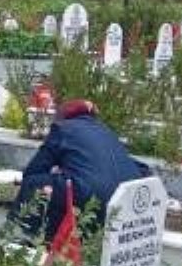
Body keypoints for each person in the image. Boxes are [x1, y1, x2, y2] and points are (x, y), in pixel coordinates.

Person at [11, 100, 151, 240]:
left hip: (92, 195)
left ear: (63, 116)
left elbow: (34, 170)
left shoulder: (62, 129)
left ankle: (34, 236)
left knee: (32, 182)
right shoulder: (105, 131)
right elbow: (142, 168)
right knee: (66, 184)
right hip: (126, 198)